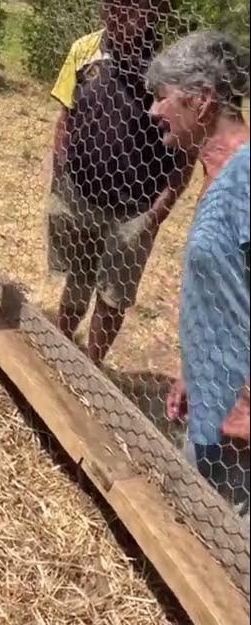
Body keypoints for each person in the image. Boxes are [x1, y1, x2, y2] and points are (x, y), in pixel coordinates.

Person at [46, 0, 192, 366]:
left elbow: (187, 151)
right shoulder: (84, 51)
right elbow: (65, 118)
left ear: (148, 9)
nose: (114, 12)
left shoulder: (170, 70)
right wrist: (62, 176)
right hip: (83, 195)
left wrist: (158, 212)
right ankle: (60, 347)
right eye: (109, 3)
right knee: (77, 278)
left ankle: (92, 368)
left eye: (126, 4)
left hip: (135, 209)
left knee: (112, 296)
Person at [147, 30, 250, 514]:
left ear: (202, 101)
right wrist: (193, 371)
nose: (154, 112)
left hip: (240, 430)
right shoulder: (217, 173)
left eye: (162, 98)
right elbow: (227, 290)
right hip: (213, 409)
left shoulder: (246, 176)